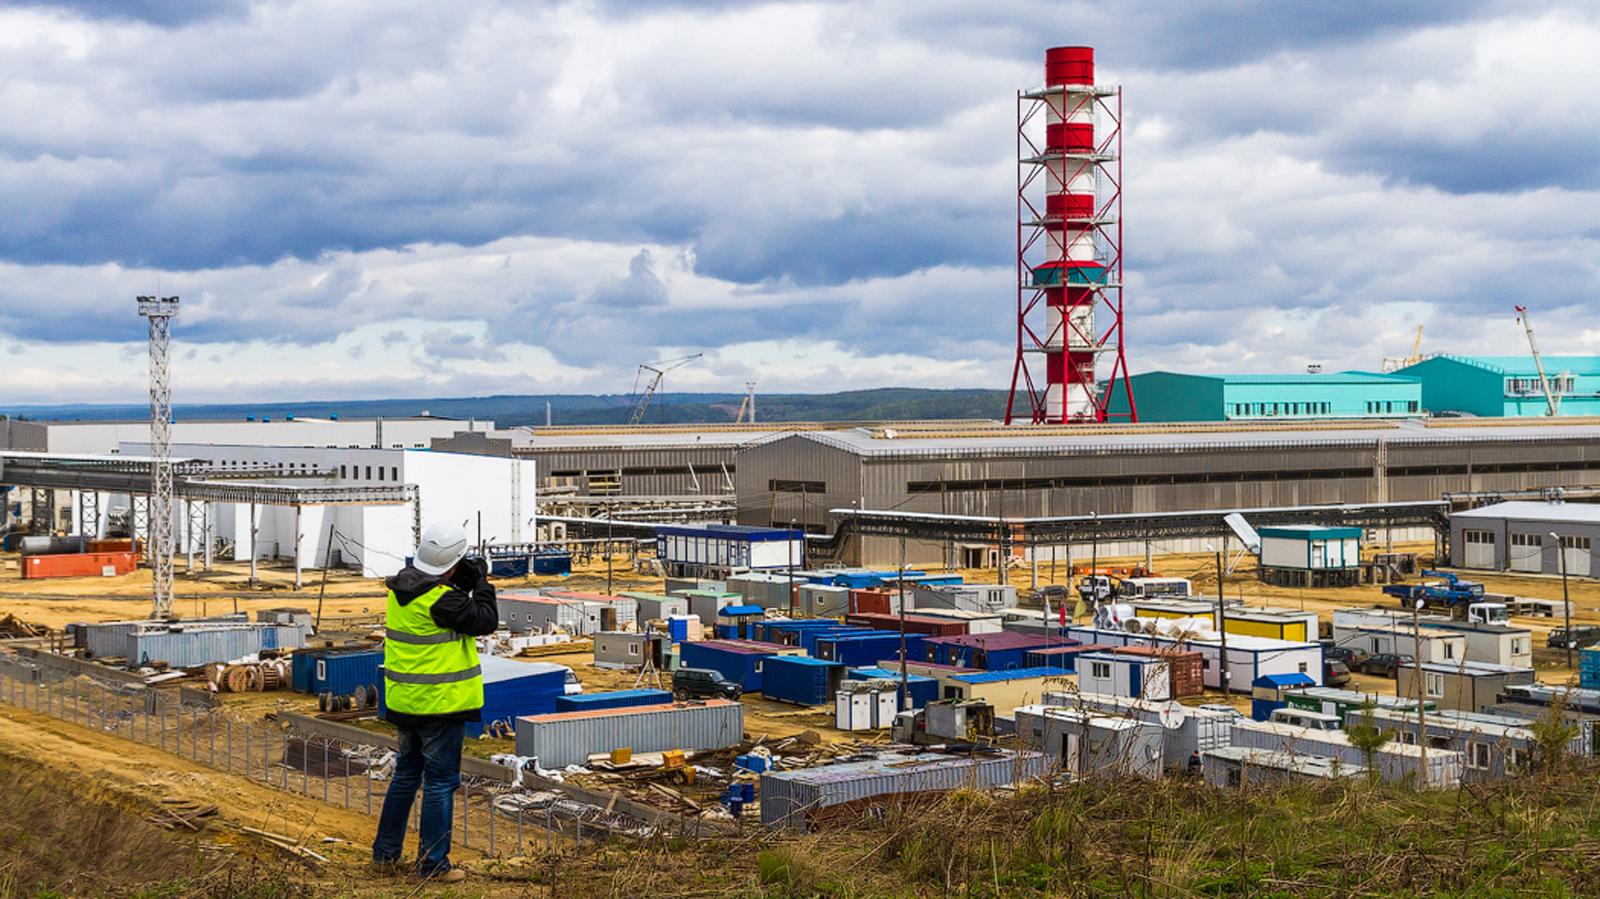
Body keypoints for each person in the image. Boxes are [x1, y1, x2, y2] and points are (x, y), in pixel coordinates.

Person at [371, 521, 499, 882]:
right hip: (439, 706)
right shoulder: (443, 600)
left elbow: (442, 600)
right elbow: (485, 620)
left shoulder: (400, 589)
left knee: (406, 777)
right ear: (455, 562)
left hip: (404, 703)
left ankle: (384, 855)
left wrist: (460, 579)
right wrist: (482, 584)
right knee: (441, 783)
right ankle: (432, 865)